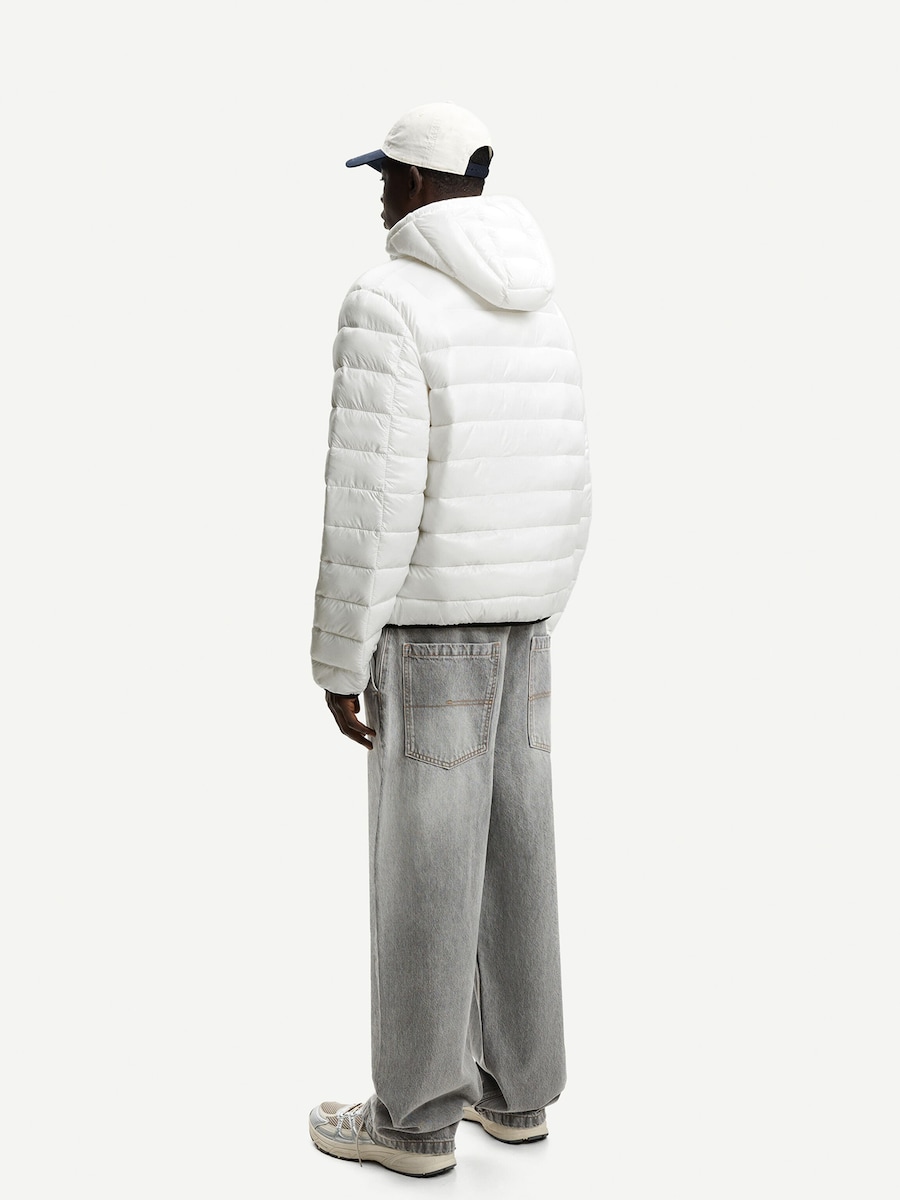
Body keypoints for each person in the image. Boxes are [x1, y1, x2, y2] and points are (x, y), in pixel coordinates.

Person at [308, 101, 591, 1178]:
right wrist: (542, 603)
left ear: (424, 184)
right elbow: (573, 474)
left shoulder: (386, 300)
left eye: (387, 177)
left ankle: (415, 1118)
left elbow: (369, 502)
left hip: (430, 632)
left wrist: (339, 656)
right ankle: (517, 1094)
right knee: (520, 856)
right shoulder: (542, 303)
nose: (380, 196)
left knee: (424, 868)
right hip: (525, 622)